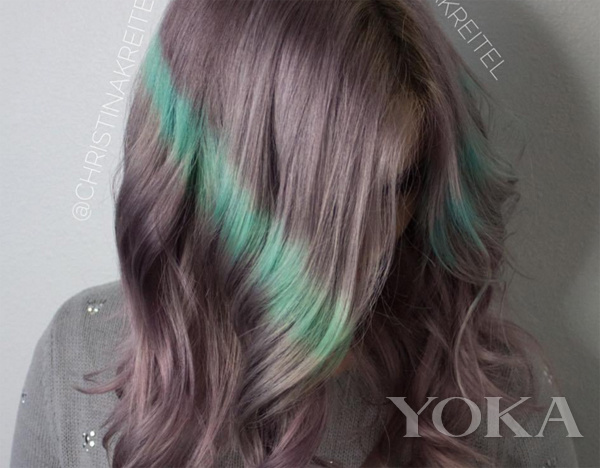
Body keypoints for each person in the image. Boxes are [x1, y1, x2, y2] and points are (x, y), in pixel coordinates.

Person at [11, 0, 580, 466]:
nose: (366, 246)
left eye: (397, 187)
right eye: (319, 208)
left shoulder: (495, 391)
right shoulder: (80, 352)